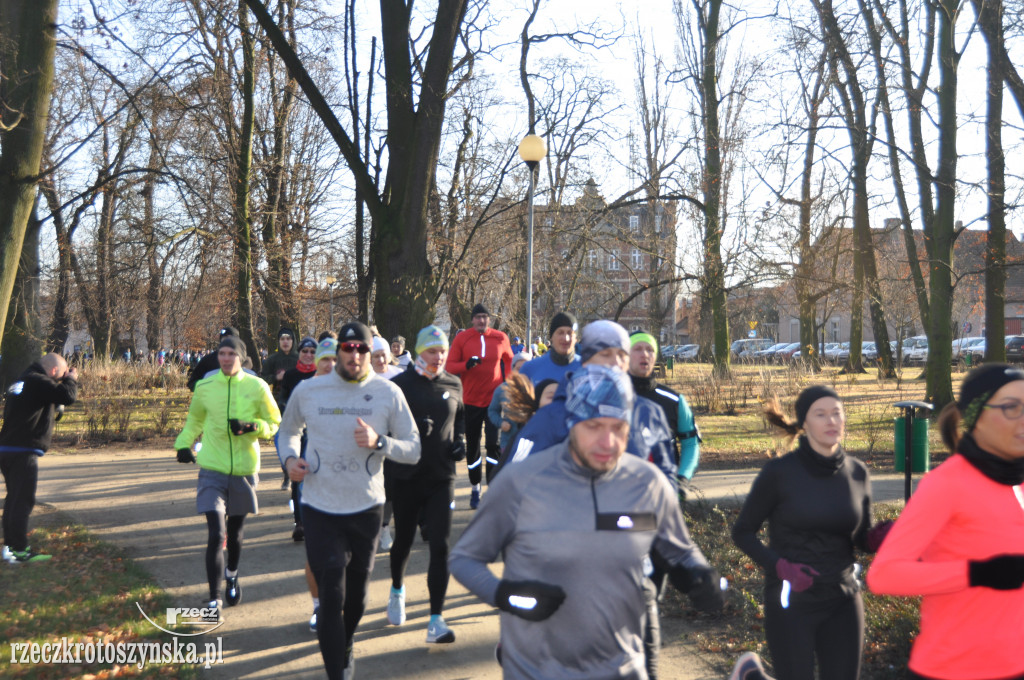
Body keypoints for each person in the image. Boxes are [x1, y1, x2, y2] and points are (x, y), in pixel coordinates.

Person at [450, 363, 724, 679]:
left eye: (618, 427)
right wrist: (506, 595)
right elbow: (465, 558)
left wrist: (699, 574)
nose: (607, 441)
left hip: (621, 667)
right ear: (571, 422)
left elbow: (680, 549)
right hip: (537, 668)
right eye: (594, 426)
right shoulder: (520, 482)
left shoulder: (648, 484)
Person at [278, 321, 420, 680]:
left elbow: (414, 448)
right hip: (320, 506)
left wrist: (380, 442)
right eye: (348, 348)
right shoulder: (311, 390)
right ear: (338, 350)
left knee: (356, 600)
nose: (354, 355)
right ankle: (337, 672)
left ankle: (345, 642)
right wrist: (290, 459)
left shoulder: (388, 393)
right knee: (331, 593)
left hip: (367, 508)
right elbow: (287, 431)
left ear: (370, 353)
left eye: (362, 350)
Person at [867, 364, 1024, 680]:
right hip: (953, 668)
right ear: (977, 418)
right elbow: (884, 575)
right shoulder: (947, 483)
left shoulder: (1018, 481)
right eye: (1011, 408)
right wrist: (977, 573)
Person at [731, 386, 890, 680]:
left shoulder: (857, 473)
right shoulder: (779, 473)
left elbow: (860, 539)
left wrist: (881, 536)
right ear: (804, 423)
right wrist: (780, 567)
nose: (831, 421)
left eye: (837, 413)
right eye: (821, 414)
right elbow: (742, 532)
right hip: (793, 598)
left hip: (843, 596)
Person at [174, 336, 281, 620]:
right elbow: (194, 421)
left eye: (231, 353)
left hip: (245, 469)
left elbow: (274, 423)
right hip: (212, 468)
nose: (225, 358)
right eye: (221, 353)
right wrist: (183, 444)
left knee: (234, 534)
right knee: (216, 534)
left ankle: (232, 574)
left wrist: (251, 427)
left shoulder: (257, 386)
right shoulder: (205, 387)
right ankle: (214, 601)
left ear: (241, 357)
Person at [501, 320, 676, 483]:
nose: (614, 362)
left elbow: (666, 474)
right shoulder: (552, 415)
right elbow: (513, 477)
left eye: (622, 355)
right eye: (605, 354)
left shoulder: (648, 413)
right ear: (585, 361)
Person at [386, 325, 466, 644]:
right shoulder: (400, 384)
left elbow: (459, 417)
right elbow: (386, 424)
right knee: (403, 540)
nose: (439, 356)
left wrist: (458, 442)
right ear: (419, 352)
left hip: (441, 476)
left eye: (443, 351)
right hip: (406, 476)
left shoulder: (454, 382)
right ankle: (396, 589)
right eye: (432, 351)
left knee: (441, 545)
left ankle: (436, 619)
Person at [0, 354, 78, 564]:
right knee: (23, 501)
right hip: (22, 450)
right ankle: (18, 550)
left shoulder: (22, 380)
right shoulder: (38, 380)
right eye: (60, 374)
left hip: (8, 448)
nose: (61, 378)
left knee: (13, 500)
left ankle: (10, 548)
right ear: (53, 371)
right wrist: (71, 378)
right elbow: (68, 396)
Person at [447, 303, 513, 507]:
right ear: (472, 319)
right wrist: (465, 365)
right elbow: (449, 366)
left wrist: (508, 384)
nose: (482, 321)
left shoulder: (500, 337)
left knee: (493, 444)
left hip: (494, 401)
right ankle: (475, 488)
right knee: (473, 446)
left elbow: (509, 359)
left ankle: (491, 488)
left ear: (489, 319)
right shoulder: (462, 338)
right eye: (478, 317)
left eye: (485, 317)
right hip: (470, 401)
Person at [628, 332, 701, 491]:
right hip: (620, 495)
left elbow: (691, 443)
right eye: (638, 349)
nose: (645, 354)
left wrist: (682, 479)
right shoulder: (610, 398)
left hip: (663, 493)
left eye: (650, 349)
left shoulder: (674, 400)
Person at [279, 337, 320, 541]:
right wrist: (288, 408)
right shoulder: (291, 375)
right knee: (298, 477)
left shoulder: (320, 375)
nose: (309, 355)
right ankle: (299, 522)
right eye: (305, 351)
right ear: (300, 352)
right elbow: (283, 397)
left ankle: (315, 518)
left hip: (314, 432)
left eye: (313, 352)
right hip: (296, 430)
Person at [487, 352, 532, 455]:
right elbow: (492, 411)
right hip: (508, 443)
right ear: (513, 369)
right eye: (518, 368)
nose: (522, 372)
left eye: (526, 368)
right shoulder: (503, 389)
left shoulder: (538, 388)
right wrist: (501, 423)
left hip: (531, 443)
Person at [519, 311, 581, 386]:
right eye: (560, 333)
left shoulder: (587, 369)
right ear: (551, 337)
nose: (566, 338)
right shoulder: (529, 369)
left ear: (576, 339)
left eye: (570, 333)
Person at [186, 326, 239, 391]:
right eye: (225, 338)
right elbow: (192, 383)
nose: (227, 342)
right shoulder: (208, 360)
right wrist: (208, 388)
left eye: (230, 339)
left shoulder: (245, 360)